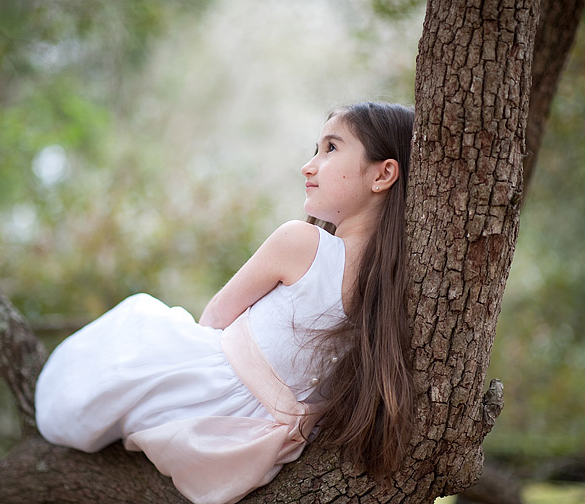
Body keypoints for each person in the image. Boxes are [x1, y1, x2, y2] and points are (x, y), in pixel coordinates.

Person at [35, 102, 415, 504]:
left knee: (140, 318)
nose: (309, 165)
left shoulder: (303, 242)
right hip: (261, 439)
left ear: (383, 174)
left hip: (210, 393)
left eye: (331, 149)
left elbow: (215, 315)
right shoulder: (391, 289)